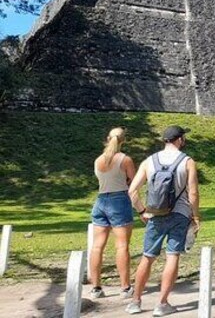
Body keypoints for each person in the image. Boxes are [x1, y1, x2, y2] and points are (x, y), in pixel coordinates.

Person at [126, 126, 200, 316]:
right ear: (180, 139)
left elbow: (132, 191)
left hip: (155, 214)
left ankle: (135, 301)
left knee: (147, 257)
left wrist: (142, 211)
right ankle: (162, 303)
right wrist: (196, 215)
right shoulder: (187, 161)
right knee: (172, 255)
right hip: (180, 214)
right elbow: (192, 192)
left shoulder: (149, 161)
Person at [89, 127, 136, 299]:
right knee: (122, 245)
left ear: (108, 138)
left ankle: (96, 288)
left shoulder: (98, 160)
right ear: (123, 140)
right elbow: (134, 181)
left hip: (101, 201)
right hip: (119, 200)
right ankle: (125, 287)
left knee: (97, 246)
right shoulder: (125, 159)